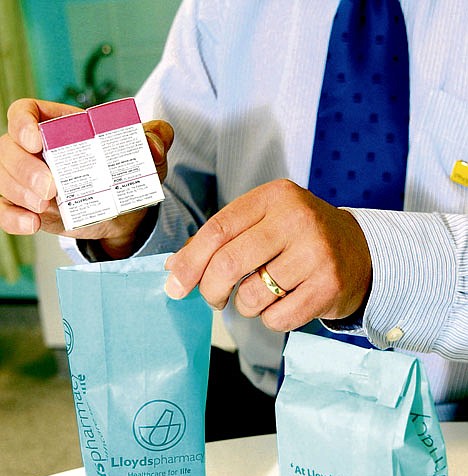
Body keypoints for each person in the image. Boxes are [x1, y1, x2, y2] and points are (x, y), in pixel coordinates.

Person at [0, 1, 467, 436]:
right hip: (268, 409)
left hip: (453, 423)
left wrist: (376, 261)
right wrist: (127, 223)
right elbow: (177, 210)